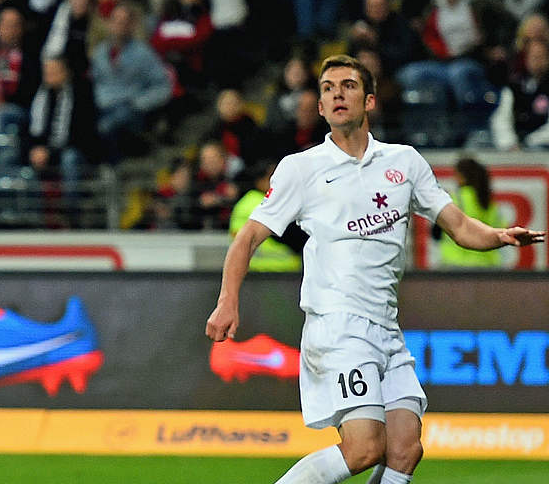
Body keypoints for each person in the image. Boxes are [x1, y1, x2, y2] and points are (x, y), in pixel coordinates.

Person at [206, 55, 544, 484]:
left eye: (346, 86)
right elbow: (246, 239)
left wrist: (498, 235)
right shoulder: (302, 169)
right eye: (327, 89)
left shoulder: (403, 162)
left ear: (368, 101)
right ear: (322, 108)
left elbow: (457, 225)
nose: (336, 94)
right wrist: (226, 301)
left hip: (386, 328)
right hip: (338, 324)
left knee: (405, 449)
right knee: (365, 448)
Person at [437, 157, 507, 268]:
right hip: (488, 266)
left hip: (455, 264)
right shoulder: (490, 203)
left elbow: (436, 232)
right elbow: (502, 232)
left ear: (462, 176)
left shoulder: (454, 199)